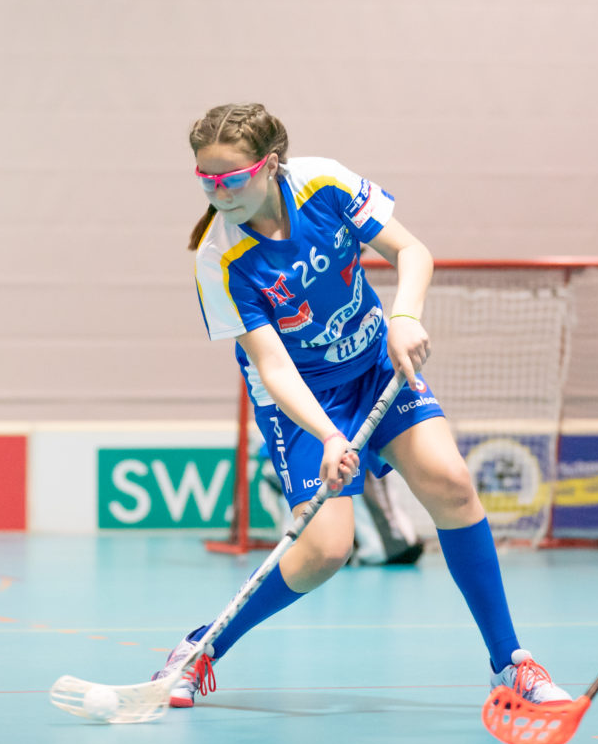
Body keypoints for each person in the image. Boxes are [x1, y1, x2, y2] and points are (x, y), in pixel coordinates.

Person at [151, 102, 572, 711]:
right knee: (325, 551)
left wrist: (404, 317)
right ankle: (202, 648)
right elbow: (272, 366)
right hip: (303, 398)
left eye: (231, 178)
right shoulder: (218, 259)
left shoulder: (323, 183)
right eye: (205, 180)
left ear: (269, 166)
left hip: (377, 365)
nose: (219, 192)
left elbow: (413, 252)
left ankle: (509, 662)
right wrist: (327, 436)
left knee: (452, 484)